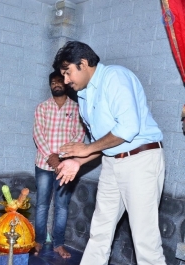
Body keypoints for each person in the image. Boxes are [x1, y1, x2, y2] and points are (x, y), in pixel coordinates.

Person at [53, 41, 166, 265]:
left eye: (68, 73)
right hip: (112, 163)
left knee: (146, 242)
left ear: (83, 64)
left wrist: (85, 149)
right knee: (99, 233)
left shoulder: (115, 77)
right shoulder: (83, 96)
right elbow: (101, 142)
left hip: (140, 160)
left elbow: (128, 128)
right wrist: (77, 161)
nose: (66, 81)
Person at [32, 70, 85, 258]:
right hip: (44, 165)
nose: (55, 84)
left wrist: (62, 158)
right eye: (52, 82)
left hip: (66, 167)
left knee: (62, 206)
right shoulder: (42, 108)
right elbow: (38, 134)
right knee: (42, 205)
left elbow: (79, 136)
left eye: (58, 81)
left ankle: (58, 244)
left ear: (66, 82)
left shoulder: (77, 109)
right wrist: (51, 157)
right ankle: (38, 241)